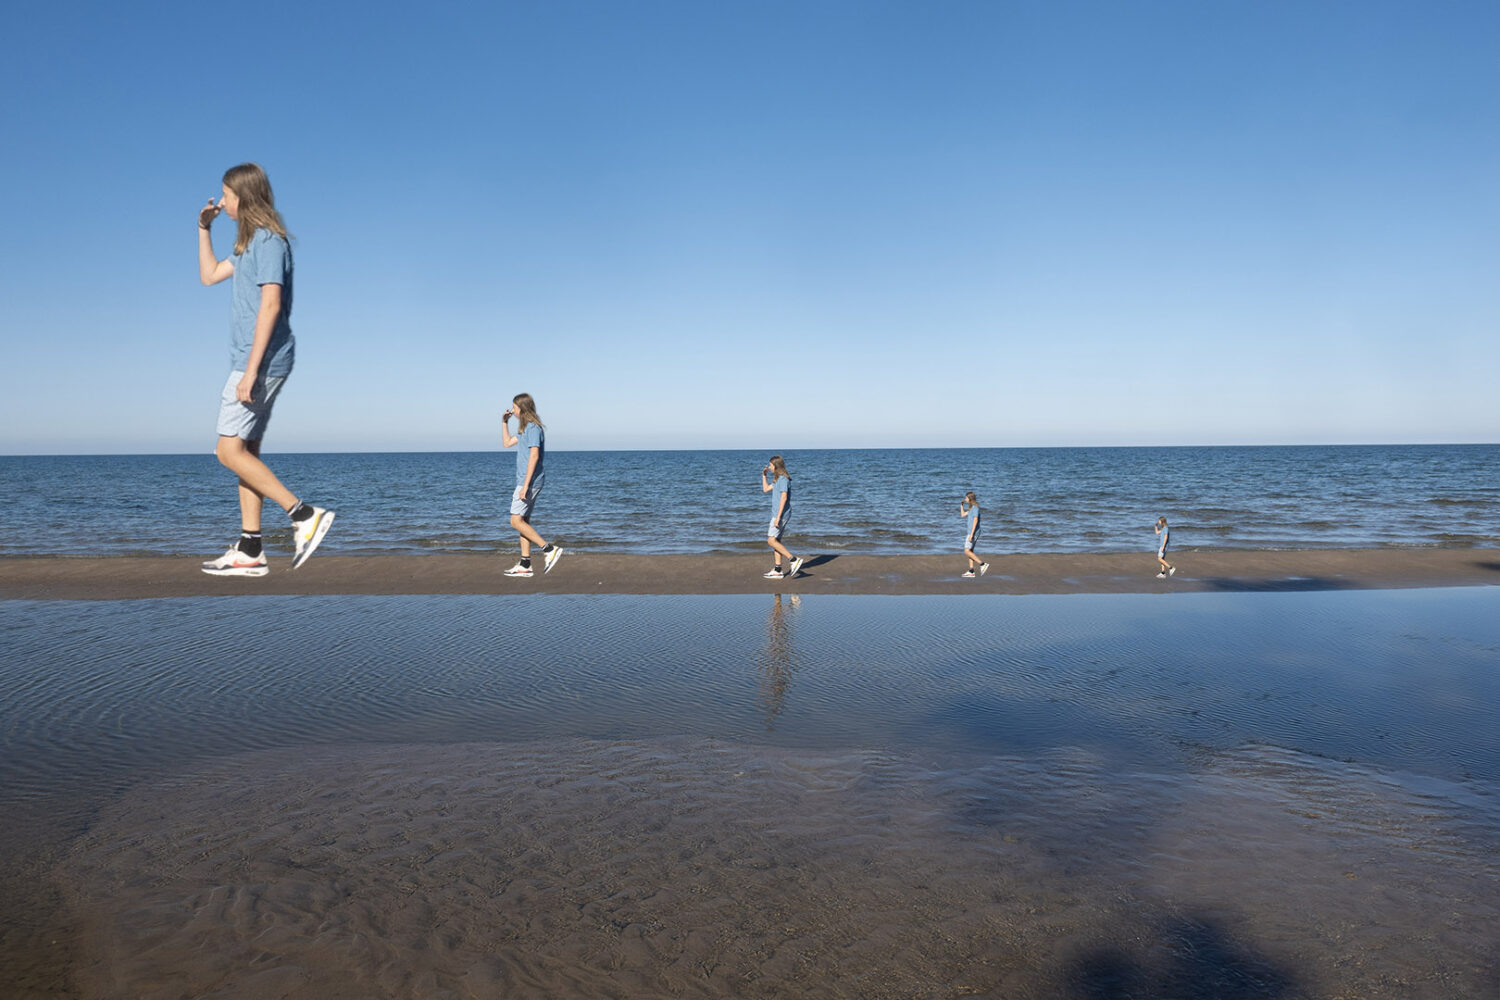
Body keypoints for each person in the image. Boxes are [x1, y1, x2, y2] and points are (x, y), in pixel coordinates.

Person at [197, 163, 334, 577]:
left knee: (227, 451)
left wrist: (251, 372)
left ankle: (304, 515)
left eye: (225, 194)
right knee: (246, 453)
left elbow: (271, 305)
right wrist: (204, 229)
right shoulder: (246, 245)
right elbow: (208, 277)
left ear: (244, 195)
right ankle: (251, 548)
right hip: (253, 361)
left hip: (258, 362)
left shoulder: (270, 242)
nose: (221, 202)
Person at [500, 393, 562, 577]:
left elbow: (534, 456)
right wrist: (504, 422)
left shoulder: (533, 428)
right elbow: (506, 443)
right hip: (526, 481)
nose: (512, 410)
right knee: (523, 521)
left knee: (515, 520)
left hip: (528, 481)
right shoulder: (524, 429)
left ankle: (549, 549)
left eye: (514, 407)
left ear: (522, 408)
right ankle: (525, 564)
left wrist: (525, 485)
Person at [760, 456, 804, 580]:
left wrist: (778, 518)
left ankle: (793, 559)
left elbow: (784, 498)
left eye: (770, 465)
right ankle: (778, 570)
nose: (769, 467)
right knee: (776, 541)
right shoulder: (777, 479)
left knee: (771, 540)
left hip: (780, 515)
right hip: (778, 514)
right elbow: (765, 489)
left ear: (776, 466)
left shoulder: (783, 479)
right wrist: (764, 476)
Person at [960, 492, 989, 578]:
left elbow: (975, 520)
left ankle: (982, 564)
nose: (965, 499)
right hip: (971, 532)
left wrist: (971, 534)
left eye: (966, 498)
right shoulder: (971, 508)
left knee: (966, 551)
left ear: (970, 498)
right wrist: (961, 506)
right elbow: (962, 515)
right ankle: (971, 571)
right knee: (970, 551)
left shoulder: (975, 508)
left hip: (973, 533)